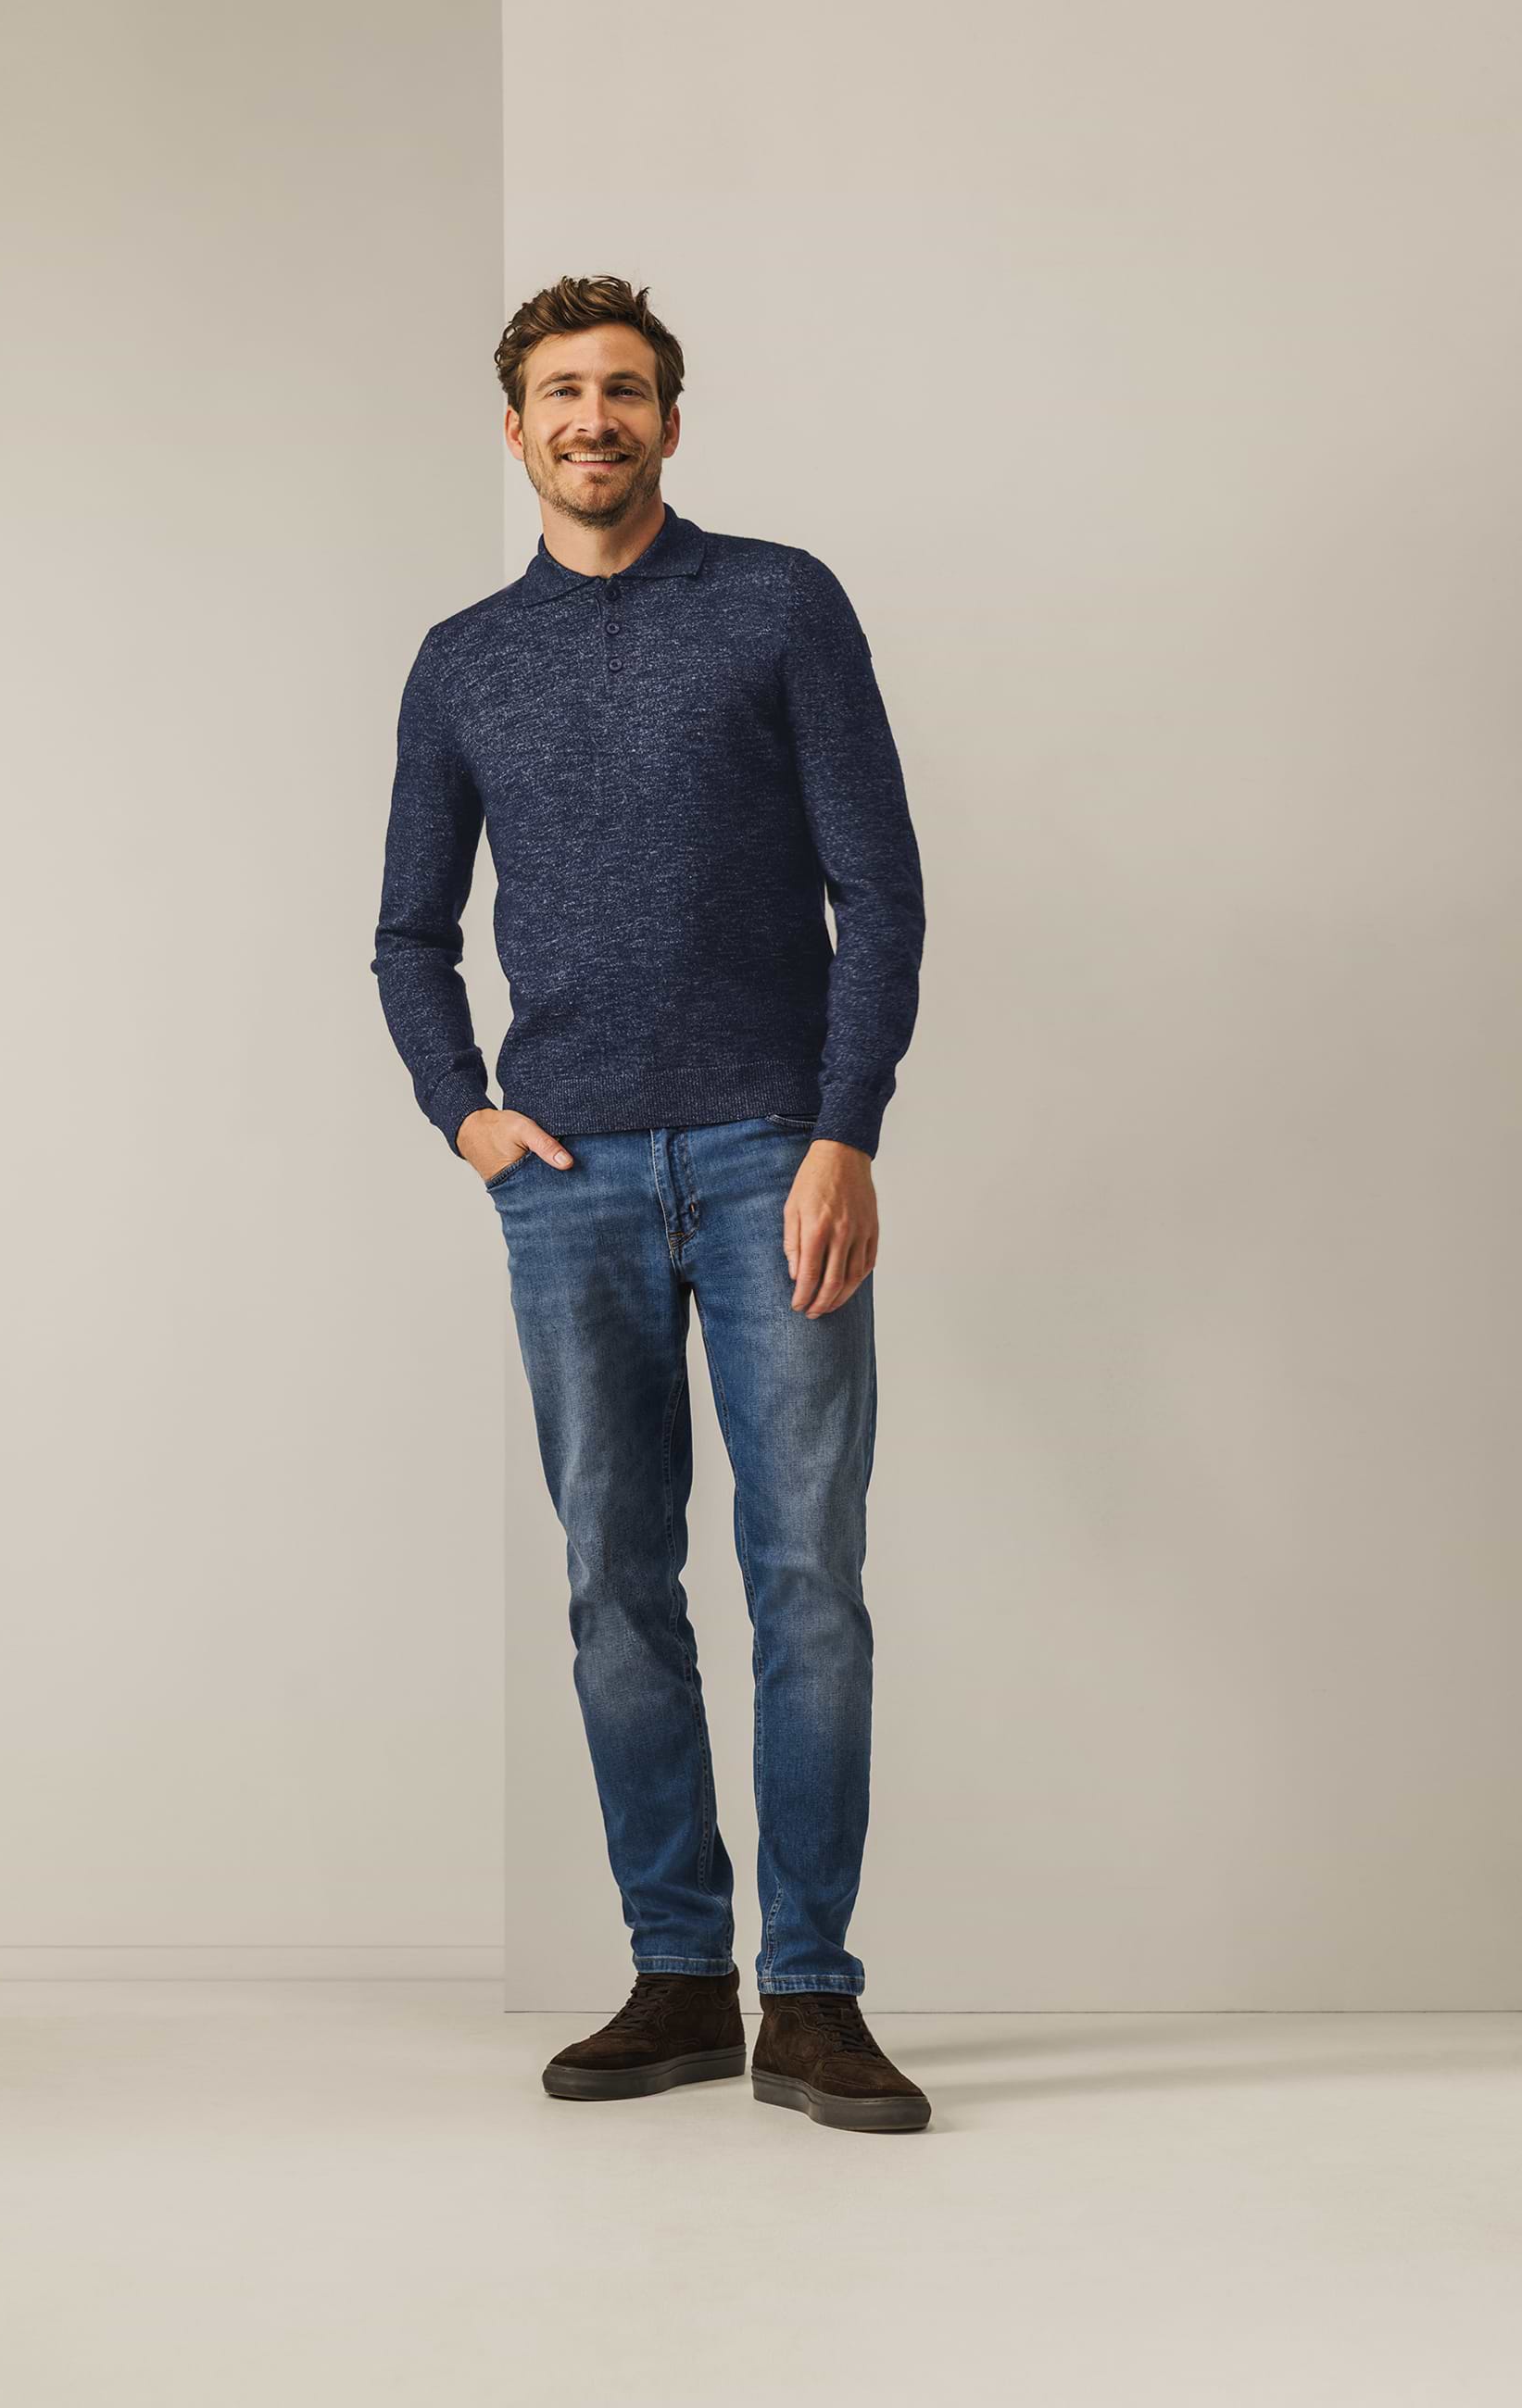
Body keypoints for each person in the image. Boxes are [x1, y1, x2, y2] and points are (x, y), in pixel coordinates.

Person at [371, 275, 930, 2135]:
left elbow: (881, 889)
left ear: (671, 423)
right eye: (561, 391)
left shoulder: (779, 603)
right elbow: (409, 930)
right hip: (571, 1179)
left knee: (808, 1578)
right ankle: (680, 1973)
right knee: (617, 1580)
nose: (592, 418)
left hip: (778, 1155)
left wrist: (845, 1130)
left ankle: (813, 1995)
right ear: (515, 429)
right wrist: (467, 1117)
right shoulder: (464, 661)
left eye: (623, 389)